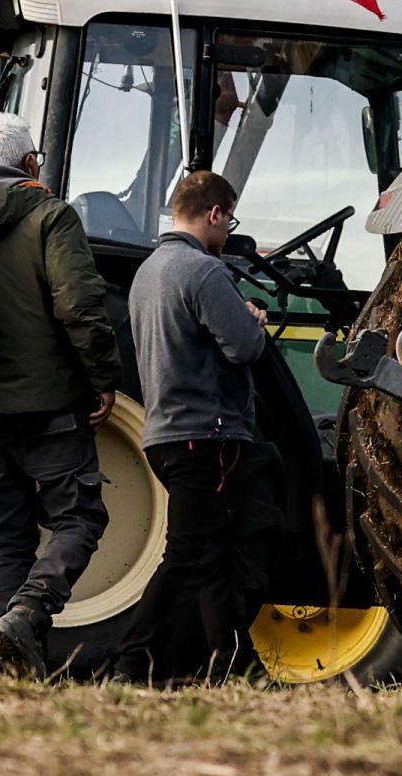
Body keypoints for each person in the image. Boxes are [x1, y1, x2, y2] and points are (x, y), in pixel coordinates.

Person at [0, 112, 123, 674]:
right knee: (80, 521)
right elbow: (78, 306)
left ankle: (15, 667)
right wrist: (102, 376)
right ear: (30, 163)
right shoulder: (51, 215)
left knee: (8, 543)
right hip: (50, 406)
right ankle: (28, 611)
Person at [128, 168, 272, 680]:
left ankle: (232, 665)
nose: (228, 231)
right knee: (187, 556)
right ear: (214, 214)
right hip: (205, 435)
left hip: (164, 433)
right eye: (228, 221)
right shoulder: (205, 272)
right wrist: (251, 317)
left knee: (213, 557)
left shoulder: (148, 272)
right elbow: (245, 347)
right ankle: (129, 659)